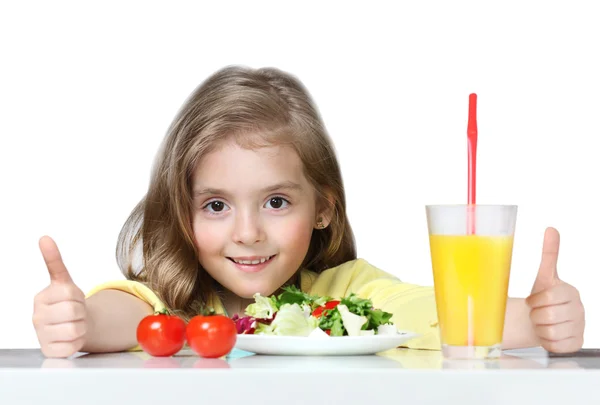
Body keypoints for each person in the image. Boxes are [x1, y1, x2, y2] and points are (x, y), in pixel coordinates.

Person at [32, 66, 585, 358]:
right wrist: (79, 322)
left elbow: (433, 314)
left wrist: (534, 320)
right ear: (182, 211)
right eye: (216, 205)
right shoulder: (178, 301)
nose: (247, 233)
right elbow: (131, 315)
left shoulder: (348, 293)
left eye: (276, 202)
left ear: (323, 208)